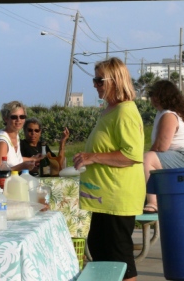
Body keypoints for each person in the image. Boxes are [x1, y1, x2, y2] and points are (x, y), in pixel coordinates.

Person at [73, 57, 145, 281]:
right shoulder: (111, 110)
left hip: (116, 198)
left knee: (120, 259)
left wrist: (92, 157)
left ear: (115, 80)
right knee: (104, 256)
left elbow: (131, 155)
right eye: (94, 79)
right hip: (102, 198)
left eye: (99, 80)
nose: (95, 84)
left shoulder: (125, 112)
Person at [143, 80, 184, 213]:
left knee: (147, 159)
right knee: (148, 159)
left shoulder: (169, 115)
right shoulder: (165, 113)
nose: (154, 99)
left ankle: (153, 202)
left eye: (158, 95)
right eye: (152, 95)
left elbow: (161, 146)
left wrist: (145, 158)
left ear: (167, 97)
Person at [0, 101, 36, 173]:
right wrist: (21, 167)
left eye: (22, 117)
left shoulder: (15, 137)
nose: (18, 120)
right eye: (14, 117)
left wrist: (32, 159)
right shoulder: (2, 142)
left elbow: (14, 159)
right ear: (5, 118)